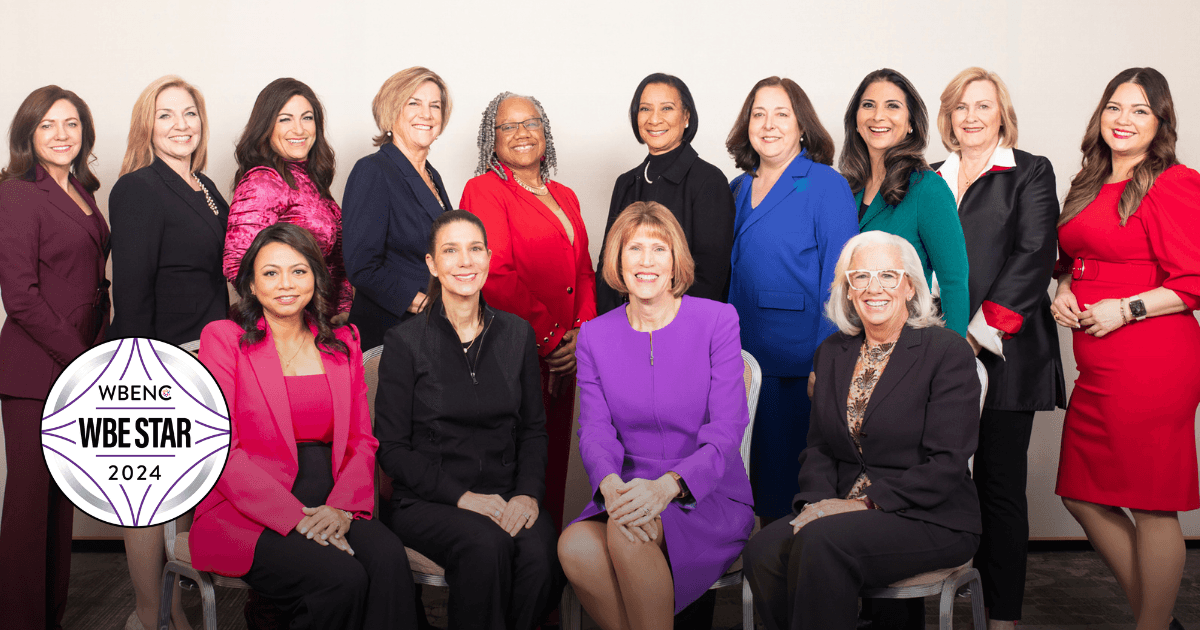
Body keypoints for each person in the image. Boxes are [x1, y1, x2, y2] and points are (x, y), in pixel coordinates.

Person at [743, 231, 981, 630]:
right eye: (861, 277)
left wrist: (862, 505)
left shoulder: (947, 352)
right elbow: (819, 448)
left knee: (822, 543)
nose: (874, 288)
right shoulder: (832, 353)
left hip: (930, 516)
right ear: (848, 289)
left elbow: (946, 464)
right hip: (842, 510)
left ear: (909, 286)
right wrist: (818, 504)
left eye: (888, 275)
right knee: (764, 550)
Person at [193, 223, 415, 630]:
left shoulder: (343, 342)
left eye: (298, 271)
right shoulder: (224, 339)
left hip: (332, 498)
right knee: (341, 579)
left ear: (316, 277)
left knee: (388, 560)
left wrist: (343, 508)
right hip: (246, 508)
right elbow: (219, 449)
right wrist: (294, 517)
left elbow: (362, 440)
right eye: (270, 273)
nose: (286, 284)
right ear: (251, 284)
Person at [557, 201, 755, 630]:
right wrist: (610, 485)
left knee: (624, 532)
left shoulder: (717, 320)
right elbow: (594, 430)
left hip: (706, 493)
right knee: (575, 545)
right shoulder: (594, 335)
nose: (646, 262)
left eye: (658, 249)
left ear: (675, 261)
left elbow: (726, 429)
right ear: (618, 261)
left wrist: (668, 487)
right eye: (634, 249)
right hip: (628, 489)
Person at [1052, 67, 1199, 630]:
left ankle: (1151, 625)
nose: (1124, 119)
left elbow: (1195, 280)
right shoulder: (1089, 180)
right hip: (1099, 365)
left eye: (1140, 110)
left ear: (1161, 122)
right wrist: (1064, 288)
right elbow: (1073, 256)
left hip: (1153, 362)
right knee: (1081, 493)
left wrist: (1127, 308)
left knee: (1152, 502)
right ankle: (1156, 620)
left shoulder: (1174, 183)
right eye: (1115, 106)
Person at [373, 210, 563, 630]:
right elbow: (392, 448)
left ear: (489, 258)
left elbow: (533, 430)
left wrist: (527, 494)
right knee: (487, 545)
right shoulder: (404, 342)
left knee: (542, 555)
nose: (465, 261)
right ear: (432, 264)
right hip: (428, 501)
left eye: (475, 249)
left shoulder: (517, 334)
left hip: (506, 493)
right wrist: (463, 498)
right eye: (450, 251)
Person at [930, 67, 1065, 630]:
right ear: (948, 117)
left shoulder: (1030, 171)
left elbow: (1033, 257)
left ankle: (1002, 616)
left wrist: (972, 334)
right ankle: (951, 594)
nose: (972, 116)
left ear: (1002, 114)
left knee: (999, 484)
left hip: (1007, 355)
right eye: (961, 107)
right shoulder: (930, 177)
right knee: (944, 479)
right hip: (938, 354)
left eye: (983, 105)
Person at [106, 75, 230, 630]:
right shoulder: (137, 188)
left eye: (190, 113)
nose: (181, 125)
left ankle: (172, 605)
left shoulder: (205, 186)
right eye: (166, 115)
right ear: (147, 127)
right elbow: (131, 292)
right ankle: (151, 613)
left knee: (182, 491)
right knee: (148, 496)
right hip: (160, 358)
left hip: (206, 356)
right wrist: (140, 375)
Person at [459, 92, 596, 528]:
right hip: (513, 353)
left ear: (545, 130)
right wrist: (552, 339)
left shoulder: (565, 195)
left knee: (553, 464)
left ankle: (548, 565)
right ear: (492, 137)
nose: (521, 133)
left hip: (567, 356)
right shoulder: (483, 190)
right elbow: (495, 275)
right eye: (508, 126)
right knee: (512, 467)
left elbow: (585, 271)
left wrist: (581, 334)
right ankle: (510, 563)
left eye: (530, 122)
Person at [724, 76, 858, 522]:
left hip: (796, 363)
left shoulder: (824, 184)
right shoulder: (737, 188)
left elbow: (840, 280)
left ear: (802, 125)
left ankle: (782, 563)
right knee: (743, 479)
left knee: (786, 488)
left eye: (781, 114)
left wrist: (825, 361)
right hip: (738, 357)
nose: (769, 124)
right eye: (759, 114)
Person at [0, 85, 108, 630]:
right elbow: (19, 296)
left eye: (71, 123)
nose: (62, 134)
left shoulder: (83, 190)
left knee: (58, 500)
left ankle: (50, 615)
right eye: (47, 125)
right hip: (34, 368)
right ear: (28, 134)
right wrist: (81, 357)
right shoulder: (17, 194)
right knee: (28, 506)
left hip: (75, 363)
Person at [839, 68, 970, 337]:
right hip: (850, 341)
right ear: (855, 120)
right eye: (868, 105)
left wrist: (954, 355)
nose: (878, 116)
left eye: (892, 106)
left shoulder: (928, 188)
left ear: (911, 122)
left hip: (908, 344)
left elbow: (954, 283)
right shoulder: (843, 189)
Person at [595, 72, 736, 315]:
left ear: (686, 116)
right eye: (645, 109)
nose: (654, 119)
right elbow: (607, 266)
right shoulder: (625, 183)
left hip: (681, 326)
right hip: (623, 323)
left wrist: (659, 326)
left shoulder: (709, 181)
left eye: (667, 108)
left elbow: (711, 279)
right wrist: (611, 323)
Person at [223, 78, 352, 322]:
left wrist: (343, 309)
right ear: (266, 126)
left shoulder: (310, 180)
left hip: (324, 323)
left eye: (307, 118)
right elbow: (238, 265)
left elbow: (337, 261)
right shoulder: (263, 181)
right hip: (286, 326)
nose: (299, 129)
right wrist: (291, 320)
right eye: (285, 119)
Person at [343, 67, 454, 350]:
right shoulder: (373, 171)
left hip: (432, 330)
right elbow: (362, 267)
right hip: (392, 334)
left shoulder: (431, 175)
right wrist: (424, 306)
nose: (427, 114)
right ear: (392, 111)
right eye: (414, 103)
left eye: (435, 106)